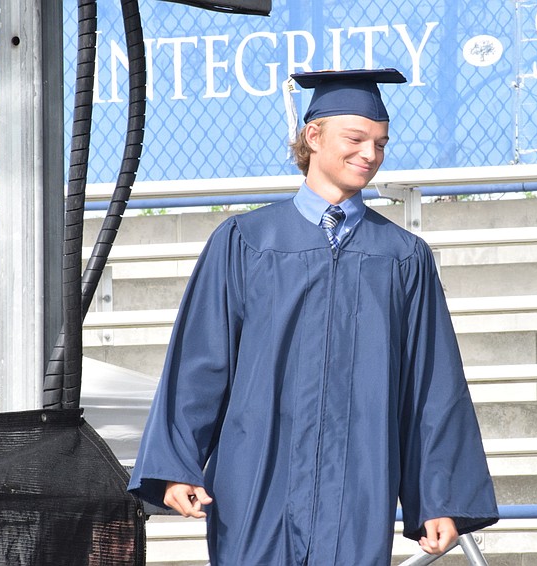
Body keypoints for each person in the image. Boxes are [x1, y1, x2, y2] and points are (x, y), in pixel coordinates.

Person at [128, 68, 498, 565]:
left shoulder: (402, 256)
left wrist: (437, 498)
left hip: (359, 483)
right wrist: (178, 464)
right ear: (313, 136)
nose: (370, 154)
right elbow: (201, 361)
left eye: (381, 143)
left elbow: (430, 387)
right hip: (257, 477)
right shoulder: (246, 243)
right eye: (356, 138)